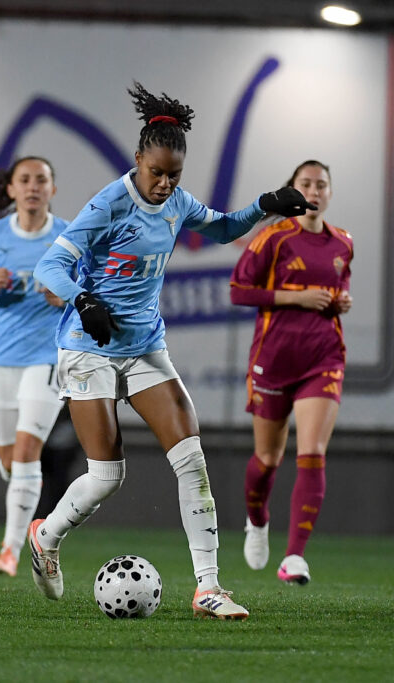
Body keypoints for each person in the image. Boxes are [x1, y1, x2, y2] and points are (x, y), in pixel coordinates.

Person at [30, 82, 316, 620]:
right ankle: (46, 538)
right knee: (107, 476)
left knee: (192, 461)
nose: (164, 184)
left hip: (144, 348)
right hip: (88, 348)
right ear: (138, 159)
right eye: (156, 172)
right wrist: (83, 298)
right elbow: (49, 267)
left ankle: (208, 588)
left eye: (174, 175)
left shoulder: (177, 202)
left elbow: (224, 228)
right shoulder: (109, 203)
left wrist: (267, 205)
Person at [231, 160, 351, 585]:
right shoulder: (273, 237)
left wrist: (339, 303)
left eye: (321, 184)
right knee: (267, 460)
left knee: (313, 452)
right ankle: (257, 521)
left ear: (331, 193)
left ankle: (294, 557)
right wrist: (296, 298)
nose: (314, 191)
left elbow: (336, 291)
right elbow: (238, 291)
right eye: (306, 184)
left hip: (323, 357)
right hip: (274, 358)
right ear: (294, 189)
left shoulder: (342, 243)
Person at [0, 156, 69, 577]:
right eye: (25, 180)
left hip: (47, 358)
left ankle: (11, 550)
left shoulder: (68, 236)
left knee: (25, 453)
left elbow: (91, 288)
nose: (33, 187)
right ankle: (28, 519)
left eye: (42, 179)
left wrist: (67, 295)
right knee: (10, 462)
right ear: (12, 190)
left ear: (52, 189)